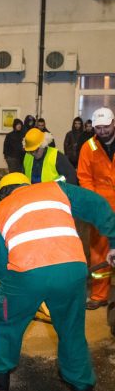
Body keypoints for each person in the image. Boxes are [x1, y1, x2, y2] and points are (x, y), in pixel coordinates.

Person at [0, 172, 115, 391]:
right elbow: (98, 204)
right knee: (72, 333)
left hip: (25, 276)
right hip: (71, 270)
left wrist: (7, 298)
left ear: (2, 194)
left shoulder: (0, 211)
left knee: (6, 323)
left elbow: (1, 267)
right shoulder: (56, 189)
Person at [78, 107, 115, 310]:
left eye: (106, 126)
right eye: (98, 127)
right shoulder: (89, 147)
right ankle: (99, 295)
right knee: (99, 252)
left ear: (113, 123)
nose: (102, 131)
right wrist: (94, 203)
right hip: (101, 208)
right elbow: (84, 177)